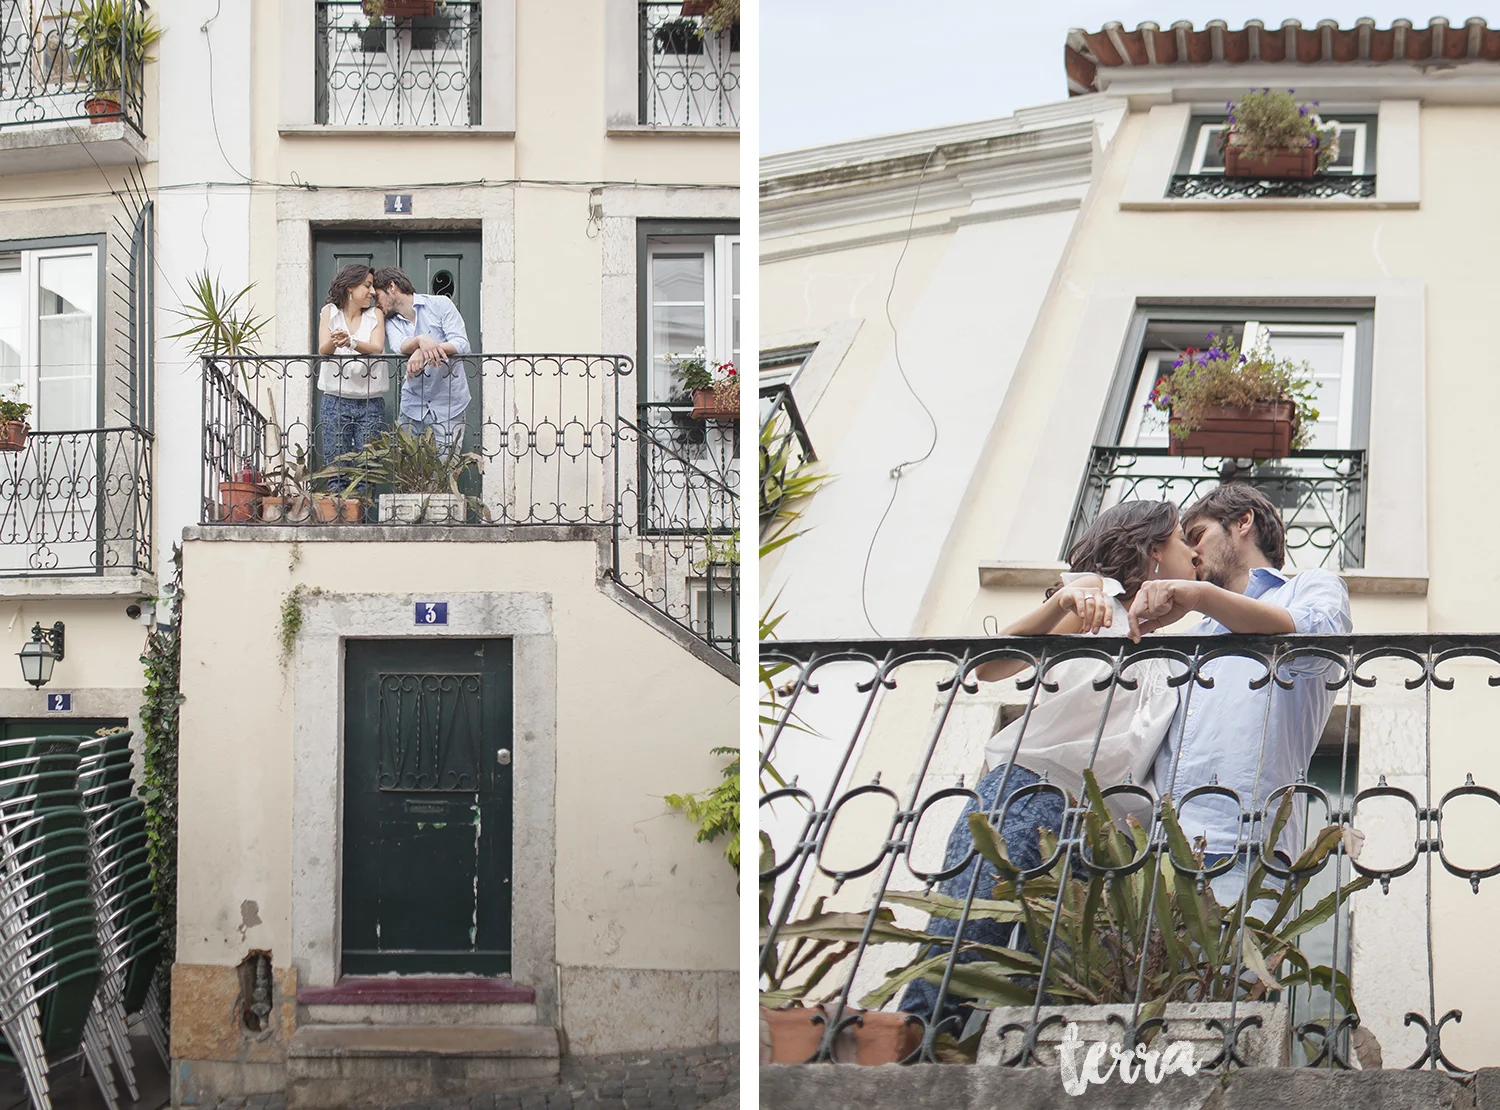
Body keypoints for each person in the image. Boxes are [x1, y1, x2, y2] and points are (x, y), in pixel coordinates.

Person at [899, 499, 1199, 1027]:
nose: (1194, 552)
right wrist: (1061, 603)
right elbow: (989, 668)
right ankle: (910, 1063)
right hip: (1030, 793)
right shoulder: (1091, 599)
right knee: (964, 950)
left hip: (1098, 836)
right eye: (1181, 539)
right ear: (1152, 550)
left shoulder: (1170, 654)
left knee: (1051, 990)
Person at [1128, 483, 1352, 908]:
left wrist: (1202, 597)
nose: (1192, 556)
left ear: (1243, 522)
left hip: (1246, 853)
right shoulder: (1190, 636)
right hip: (1154, 858)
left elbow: (1322, 641)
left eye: (1197, 536)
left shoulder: (1309, 586)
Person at [371, 266, 471, 453]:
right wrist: (420, 340)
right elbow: (400, 345)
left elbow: (461, 343)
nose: (376, 304)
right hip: (413, 404)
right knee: (407, 470)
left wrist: (423, 350)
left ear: (391, 287)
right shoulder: (390, 321)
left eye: (377, 296)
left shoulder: (440, 305)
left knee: (446, 469)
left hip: (449, 403)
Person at [315, 264, 387, 471]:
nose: (372, 292)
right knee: (336, 466)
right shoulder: (330, 312)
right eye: (367, 286)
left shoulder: (375, 314)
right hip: (335, 401)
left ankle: (362, 504)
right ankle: (340, 505)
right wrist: (336, 340)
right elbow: (323, 349)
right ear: (350, 287)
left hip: (370, 402)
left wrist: (350, 342)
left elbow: (377, 347)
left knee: (368, 469)